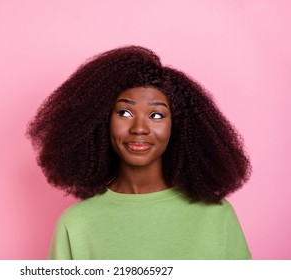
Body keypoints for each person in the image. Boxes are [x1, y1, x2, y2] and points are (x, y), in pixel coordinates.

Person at [27, 46, 252, 260]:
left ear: (180, 126)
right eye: (125, 113)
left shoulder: (216, 216)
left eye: (156, 116)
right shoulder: (76, 224)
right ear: (101, 120)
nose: (139, 128)